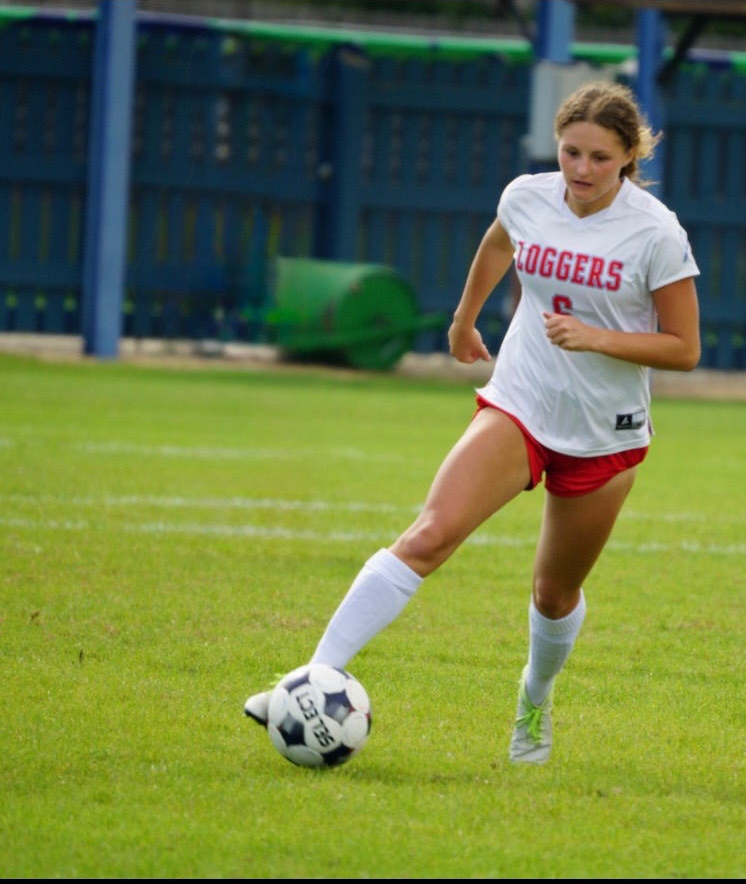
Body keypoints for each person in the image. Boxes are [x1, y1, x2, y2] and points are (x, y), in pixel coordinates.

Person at [244, 81, 701, 765]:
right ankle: (310, 679)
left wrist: (595, 337)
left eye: (600, 158)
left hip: (606, 433)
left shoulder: (656, 233)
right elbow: (498, 244)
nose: (580, 169)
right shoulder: (527, 196)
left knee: (554, 593)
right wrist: (465, 319)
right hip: (521, 402)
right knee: (429, 535)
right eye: (571, 151)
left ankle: (534, 698)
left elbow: (684, 349)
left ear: (630, 155)